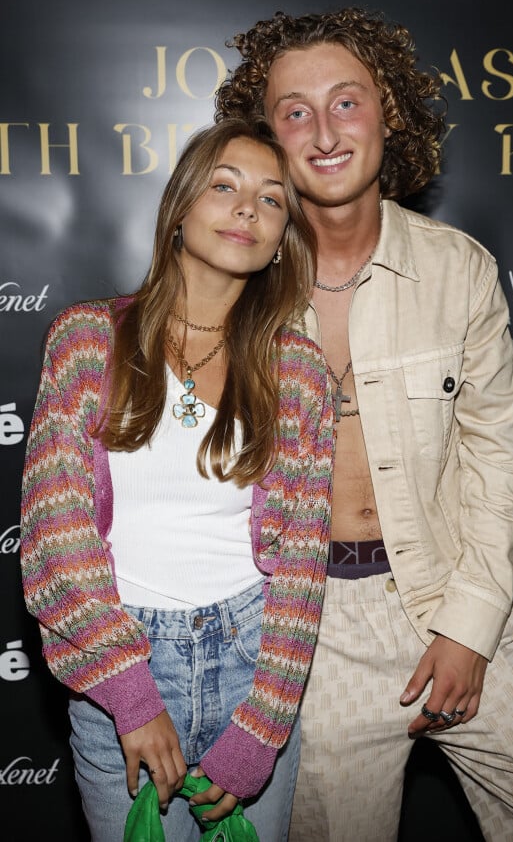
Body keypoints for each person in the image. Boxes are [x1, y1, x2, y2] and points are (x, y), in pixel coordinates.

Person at [214, 7, 513, 842]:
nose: (324, 131)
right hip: (309, 635)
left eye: (346, 102)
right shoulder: (233, 286)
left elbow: (496, 461)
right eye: (293, 111)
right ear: (265, 136)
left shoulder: (459, 271)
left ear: (388, 112)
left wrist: (469, 629)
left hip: (448, 598)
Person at [20, 117, 334, 842]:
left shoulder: (301, 375)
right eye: (225, 186)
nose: (247, 209)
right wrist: (131, 695)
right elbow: (55, 535)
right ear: (181, 208)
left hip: (256, 662)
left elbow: (302, 567)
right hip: (119, 662)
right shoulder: (87, 342)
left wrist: (264, 726)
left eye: (271, 199)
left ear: (282, 235)